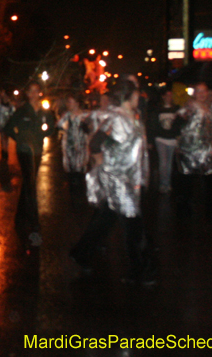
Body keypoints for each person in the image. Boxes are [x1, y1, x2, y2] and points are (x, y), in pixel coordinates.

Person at [70, 79, 155, 285]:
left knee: (106, 218)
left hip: (129, 179)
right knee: (132, 222)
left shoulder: (134, 117)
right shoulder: (115, 118)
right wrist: (103, 165)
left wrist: (143, 173)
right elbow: (96, 142)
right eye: (136, 95)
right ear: (127, 97)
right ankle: (139, 270)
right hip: (118, 180)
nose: (138, 98)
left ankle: (81, 253)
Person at [4, 81, 50, 245]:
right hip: (24, 152)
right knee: (30, 185)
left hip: (37, 151)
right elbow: (8, 128)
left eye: (36, 91)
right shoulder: (22, 110)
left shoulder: (44, 111)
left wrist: (43, 135)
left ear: (40, 93)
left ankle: (19, 215)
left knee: (28, 183)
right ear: (27, 93)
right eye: (30, 91)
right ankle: (35, 224)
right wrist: (20, 140)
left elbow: (52, 125)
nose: (33, 94)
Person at [173, 82, 212, 219]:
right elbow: (179, 125)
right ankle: (184, 213)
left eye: (204, 91)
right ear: (194, 93)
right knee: (187, 183)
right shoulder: (191, 107)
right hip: (190, 153)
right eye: (198, 91)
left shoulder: (207, 108)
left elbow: (210, 131)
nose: (201, 94)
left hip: (205, 153)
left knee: (209, 183)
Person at [57, 93, 89, 207]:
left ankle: (80, 197)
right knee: (71, 174)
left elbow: (90, 131)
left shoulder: (85, 115)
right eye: (68, 102)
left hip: (81, 149)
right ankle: (73, 198)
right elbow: (59, 125)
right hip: (69, 149)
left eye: (70, 102)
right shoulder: (67, 115)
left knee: (80, 173)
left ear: (77, 103)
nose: (68, 104)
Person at [148, 86, 179, 194]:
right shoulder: (158, 110)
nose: (169, 98)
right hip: (160, 138)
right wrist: (151, 141)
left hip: (172, 139)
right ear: (163, 97)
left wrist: (178, 137)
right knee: (163, 163)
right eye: (167, 95)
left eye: (171, 96)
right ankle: (163, 184)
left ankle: (167, 183)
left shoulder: (176, 109)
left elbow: (178, 125)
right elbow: (153, 125)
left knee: (169, 163)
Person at [0, 88, 15, 161]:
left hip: (7, 124)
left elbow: (13, 114)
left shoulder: (11, 106)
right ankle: (3, 151)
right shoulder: (0, 105)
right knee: (2, 137)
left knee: (6, 137)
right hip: (1, 123)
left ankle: (5, 151)